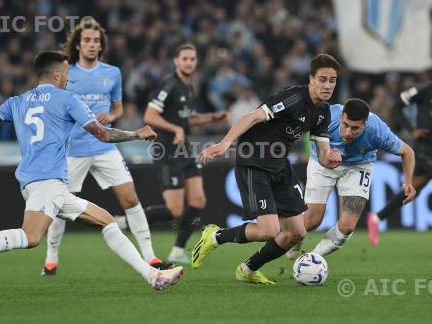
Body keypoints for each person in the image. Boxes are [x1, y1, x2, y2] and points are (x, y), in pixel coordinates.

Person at [0, 51, 184, 290]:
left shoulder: (16, 102)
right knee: (31, 237)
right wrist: (136, 133)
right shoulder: (67, 99)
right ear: (55, 75)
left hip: (38, 183)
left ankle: (152, 275)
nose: (68, 78)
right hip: (47, 182)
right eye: (66, 74)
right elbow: (103, 134)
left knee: (106, 221)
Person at [191, 54, 342, 284]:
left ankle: (248, 269)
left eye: (332, 81)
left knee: (297, 232)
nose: (327, 86)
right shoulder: (293, 99)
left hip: (280, 166)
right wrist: (225, 143)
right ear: (311, 79)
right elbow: (251, 117)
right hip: (254, 162)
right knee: (269, 230)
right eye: (322, 79)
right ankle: (215, 235)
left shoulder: (323, 111)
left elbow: (323, 154)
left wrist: (331, 158)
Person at [41, 19, 172, 276]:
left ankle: (150, 256)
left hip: (104, 147)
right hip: (72, 151)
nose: (92, 45)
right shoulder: (66, 74)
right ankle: (51, 259)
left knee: (130, 197)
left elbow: (119, 108)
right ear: (78, 44)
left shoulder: (112, 73)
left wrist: (111, 117)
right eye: (87, 40)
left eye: (97, 41)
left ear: (101, 45)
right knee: (58, 205)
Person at [285, 98, 416, 259]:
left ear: (365, 123)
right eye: (346, 125)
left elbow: (407, 152)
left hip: (358, 166)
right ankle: (298, 236)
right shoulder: (327, 116)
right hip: (323, 162)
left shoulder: (377, 131)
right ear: (341, 117)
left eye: (355, 128)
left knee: (347, 227)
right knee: (312, 221)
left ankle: (312, 259)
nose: (348, 132)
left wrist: (408, 183)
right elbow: (298, 130)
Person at [142, 43, 230, 263]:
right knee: (174, 210)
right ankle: (131, 220)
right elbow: (149, 116)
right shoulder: (168, 84)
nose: (189, 62)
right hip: (167, 150)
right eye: (185, 59)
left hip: (184, 151)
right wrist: (175, 129)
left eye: (192, 59)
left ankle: (177, 250)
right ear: (176, 61)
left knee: (198, 200)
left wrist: (212, 117)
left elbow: (188, 118)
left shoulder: (187, 87)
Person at [367, 82, 432, 246]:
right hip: (426, 148)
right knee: (415, 187)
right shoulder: (424, 90)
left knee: (414, 188)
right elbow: (397, 107)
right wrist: (412, 130)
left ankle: (376, 218)